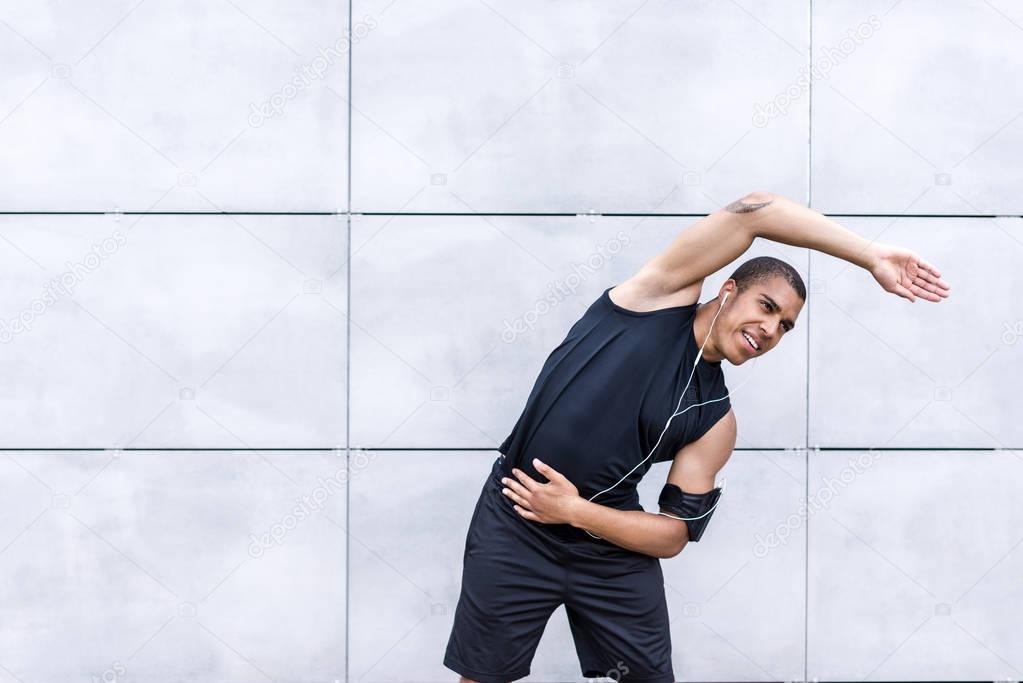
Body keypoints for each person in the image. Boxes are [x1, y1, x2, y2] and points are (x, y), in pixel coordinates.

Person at [443, 191, 951, 683]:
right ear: (728, 289)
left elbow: (673, 534)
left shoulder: (716, 422)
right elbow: (758, 210)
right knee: (484, 677)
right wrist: (870, 256)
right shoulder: (656, 297)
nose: (771, 329)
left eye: (785, 326)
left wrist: (575, 512)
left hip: (605, 539)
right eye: (767, 306)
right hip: (519, 517)